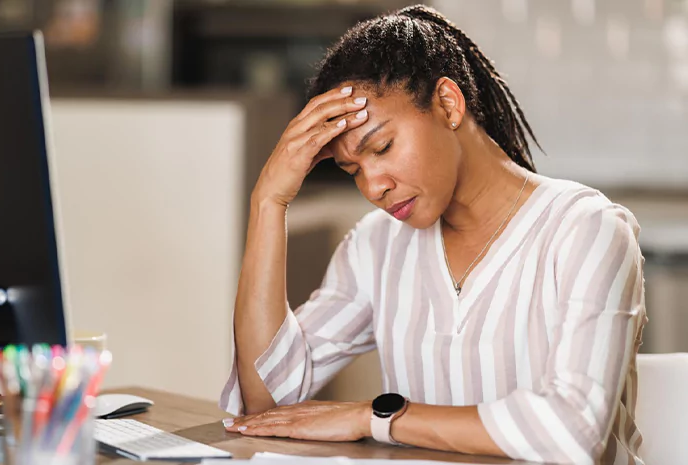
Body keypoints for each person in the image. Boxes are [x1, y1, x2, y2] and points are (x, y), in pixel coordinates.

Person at [219, 5, 647, 464]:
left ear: (448, 103)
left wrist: (377, 418)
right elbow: (265, 399)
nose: (373, 186)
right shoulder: (375, 247)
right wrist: (268, 201)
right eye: (352, 171)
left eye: (382, 147)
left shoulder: (586, 230)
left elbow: (572, 431)